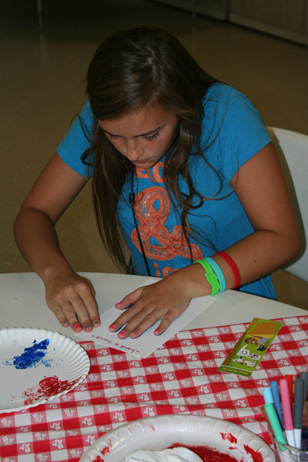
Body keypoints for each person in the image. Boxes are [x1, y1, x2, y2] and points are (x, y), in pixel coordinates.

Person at [14, 25, 300, 340]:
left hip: (245, 309)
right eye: (114, 137)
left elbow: (282, 239)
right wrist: (55, 273)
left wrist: (184, 282)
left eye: (150, 135)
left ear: (181, 107)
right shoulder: (103, 116)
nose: (133, 152)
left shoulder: (227, 115)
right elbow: (34, 212)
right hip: (152, 313)